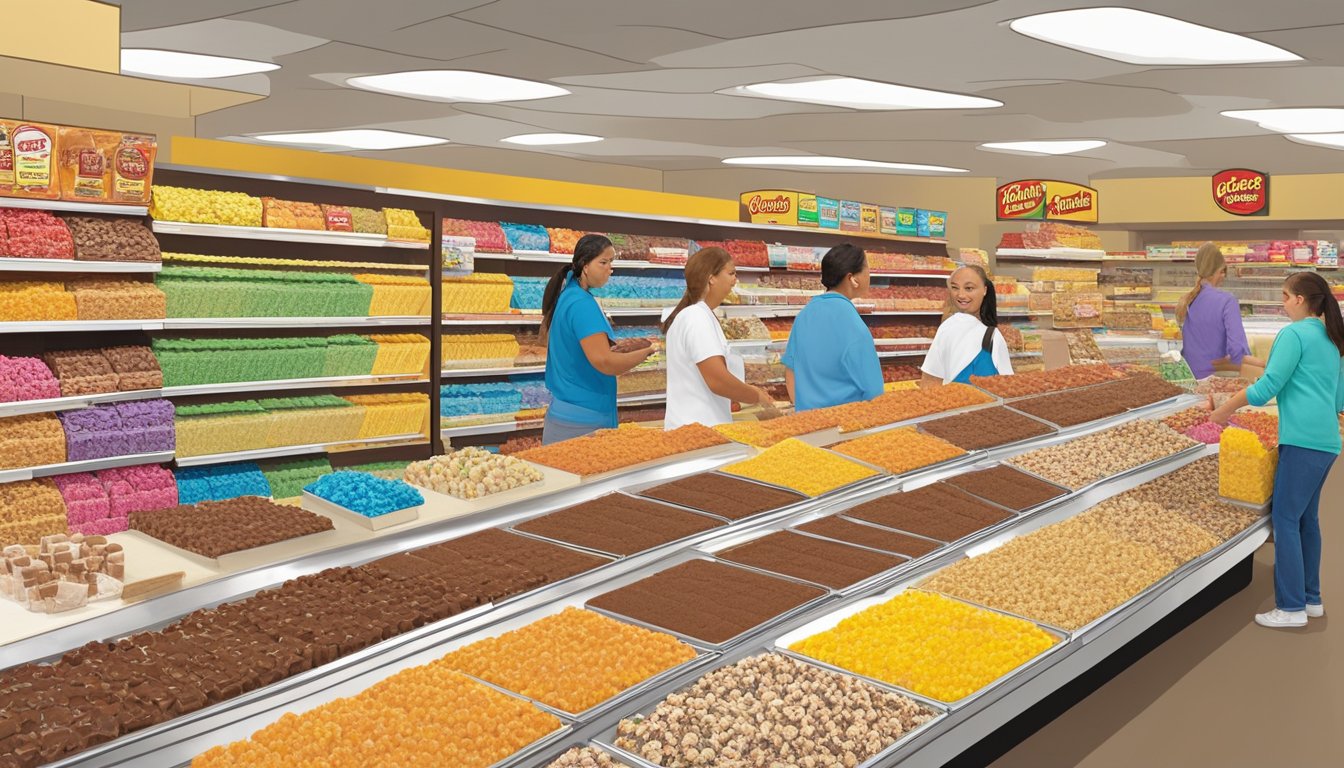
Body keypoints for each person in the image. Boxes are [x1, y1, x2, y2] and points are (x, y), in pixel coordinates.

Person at [1211, 272, 1344, 629]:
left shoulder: (1294, 335)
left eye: (1285, 297)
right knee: (1306, 520)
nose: (1283, 304)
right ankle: (1310, 598)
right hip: (1327, 441)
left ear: (1300, 299)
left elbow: (1268, 386)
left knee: (1284, 519)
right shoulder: (1333, 338)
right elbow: (1339, 398)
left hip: (1301, 441)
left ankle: (1290, 608)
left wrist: (1225, 409)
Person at [539, 233, 653, 444]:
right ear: (585, 265)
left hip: (566, 414)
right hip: (583, 423)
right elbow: (604, 362)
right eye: (603, 262)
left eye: (611, 262)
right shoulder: (582, 304)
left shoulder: (568, 296)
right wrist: (646, 353)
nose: (610, 268)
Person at [662, 247, 773, 429]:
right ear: (711, 277)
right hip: (698, 431)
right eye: (731, 273)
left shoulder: (700, 315)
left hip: (700, 427)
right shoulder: (696, 317)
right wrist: (756, 395)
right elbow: (717, 380)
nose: (734, 280)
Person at [782, 244, 884, 411]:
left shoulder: (805, 314)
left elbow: (791, 371)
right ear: (852, 278)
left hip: (809, 424)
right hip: (847, 424)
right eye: (867, 268)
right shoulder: (852, 322)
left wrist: (805, 415)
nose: (869, 274)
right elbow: (874, 391)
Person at [1178, 242, 1265, 378]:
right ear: (1220, 271)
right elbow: (1237, 350)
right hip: (1217, 379)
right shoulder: (1227, 301)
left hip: (1190, 377)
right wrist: (1262, 363)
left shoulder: (1188, 300)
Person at [920, 265, 1013, 385]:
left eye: (969, 288)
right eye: (955, 288)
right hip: (957, 401)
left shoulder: (993, 337)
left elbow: (1007, 386)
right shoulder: (947, 327)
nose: (961, 295)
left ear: (985, 290)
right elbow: (931, 378)